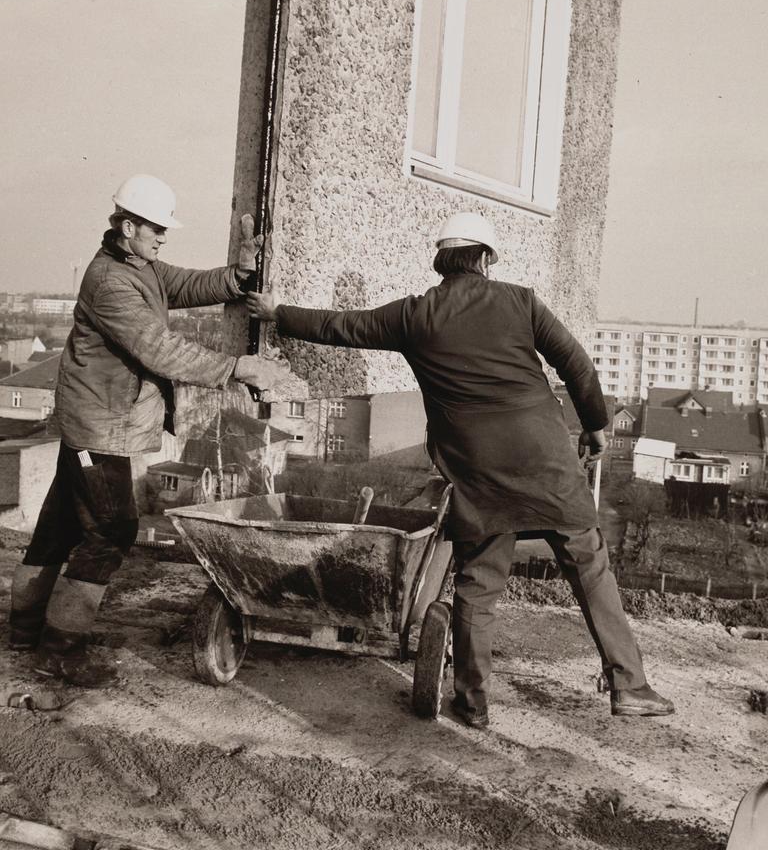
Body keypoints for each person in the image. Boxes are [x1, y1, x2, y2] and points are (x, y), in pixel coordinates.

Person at [247, 211, 674, 726]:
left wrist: (278, 313)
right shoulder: (521, 301)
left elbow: (341, 326)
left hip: (477, 472)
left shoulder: (415, 315)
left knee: (478, 585)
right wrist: (596, 426)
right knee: (591, 569)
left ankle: (472, 704)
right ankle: (629, 685)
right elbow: (577, 365)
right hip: (547, 463)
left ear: (441, 259)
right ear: (487, 258)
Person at [9, 174, 289, 687]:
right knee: (112, 531)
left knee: (59, 529)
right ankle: (60, 651)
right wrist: (238, 368)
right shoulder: (110, 281)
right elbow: (158, 348)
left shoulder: (138, 265)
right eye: (156, 228)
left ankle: (25, 631)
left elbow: (181, 284)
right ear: (128, 225)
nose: (163, 237)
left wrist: (237, 274)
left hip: (93, 418)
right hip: (99, 427)